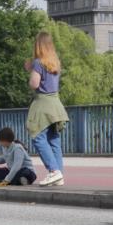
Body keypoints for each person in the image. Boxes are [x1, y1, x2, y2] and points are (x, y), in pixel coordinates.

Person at [25, 32, 68, 187]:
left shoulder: (38, 63)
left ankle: (53, 171)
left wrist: (30, 70)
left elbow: (34, 84)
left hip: (43, 103)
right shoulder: (55, 62)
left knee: (38, 137)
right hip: (55, 103)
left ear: (38, 45)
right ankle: (59, 175)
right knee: (53, 139)